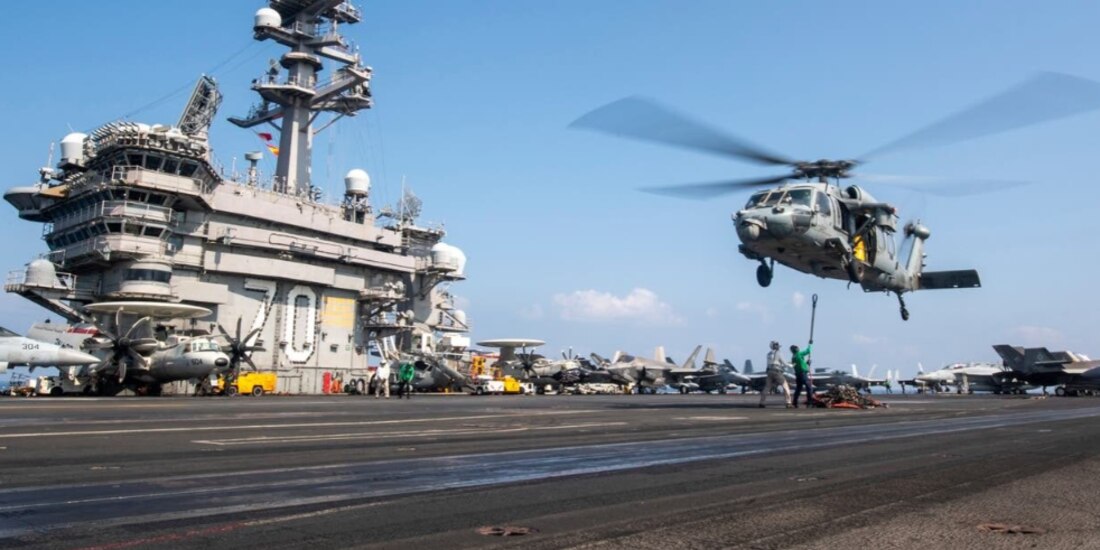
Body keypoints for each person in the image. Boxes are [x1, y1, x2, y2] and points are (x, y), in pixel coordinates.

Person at [759, 341, 792, 408]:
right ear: (776, 346)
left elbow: (768, 364)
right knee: (785, 387)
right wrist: (792, 365)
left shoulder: (768, 354)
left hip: (769, 371)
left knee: (767, 388)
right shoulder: (779, 353)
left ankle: (762, 403)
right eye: (777, 346)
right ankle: (788, 402)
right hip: (777, 371)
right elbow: (785, 364)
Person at [790, 341, 815, 408]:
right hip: (802, 374)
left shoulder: (793, 357)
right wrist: (810, 344)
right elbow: (808, 351)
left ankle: (794, 402)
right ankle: (809, 403)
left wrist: (807, 364)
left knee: (798, 388)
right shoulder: (799, 354)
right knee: (809, 387)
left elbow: (800, 363)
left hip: (798, 375)